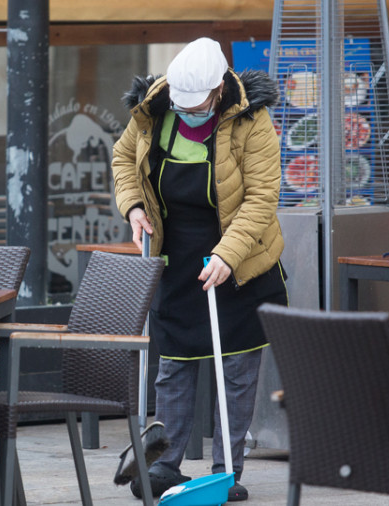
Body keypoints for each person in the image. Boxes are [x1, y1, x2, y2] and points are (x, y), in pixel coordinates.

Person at [111, 37, 288, 502]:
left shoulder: (252, 119)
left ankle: (226, 471)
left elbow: (262, 197)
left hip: (243, 259)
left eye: (197, 105)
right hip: (178, 257)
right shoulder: (154, 110)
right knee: (175, 366)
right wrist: (132, 208)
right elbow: (123, 160)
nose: (187, 111)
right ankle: (164, 468)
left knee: (236, 370)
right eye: (179, 103)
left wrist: (228, 256)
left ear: (218, 91)